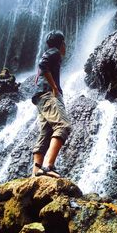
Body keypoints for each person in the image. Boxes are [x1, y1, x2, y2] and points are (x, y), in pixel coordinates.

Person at [32, 30, 71, 178]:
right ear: (62, 44)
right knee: (63, 125)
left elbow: (41, 68)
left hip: (39, 96)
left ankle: (36, 171)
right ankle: (49, 166)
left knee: (46, 132)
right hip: (48, 94)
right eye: (65, 43)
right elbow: (43, 64)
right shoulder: (55, 52)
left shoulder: (50, 52)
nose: (65, 47)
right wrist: (54, 88)